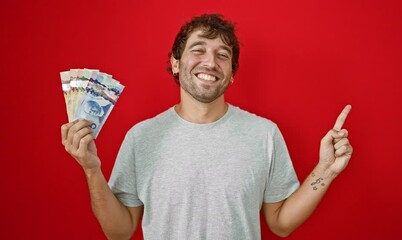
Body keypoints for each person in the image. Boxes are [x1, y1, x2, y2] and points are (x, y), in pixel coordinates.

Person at [61, 14, 353, 240]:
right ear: (175, 63)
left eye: (223, 55)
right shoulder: (141, 137)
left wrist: (325, 170)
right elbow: (120, 232)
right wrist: (91, 169)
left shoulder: (264, 134)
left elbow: (281, 223)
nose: (210, 62)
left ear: (231, 74)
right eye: (198, 50)